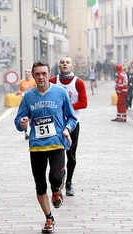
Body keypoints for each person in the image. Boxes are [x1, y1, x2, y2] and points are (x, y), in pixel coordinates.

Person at [14, 60, 77, 234]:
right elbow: (18, 122)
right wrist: (22, 122)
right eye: (37, 74)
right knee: (40, 186)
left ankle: (56, 190)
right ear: (33, 76)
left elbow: (72, 118)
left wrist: (66, 129)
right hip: (36, 147)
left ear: (50, 74)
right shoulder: (28, 96)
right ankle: (49, 218)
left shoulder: (60, 93)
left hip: (57, 143)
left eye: (44, 73)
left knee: (55, 178)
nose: (41, 77)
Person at [50, 56, 88, 196]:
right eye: (62, 62)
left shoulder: (79, 82)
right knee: (56, 153)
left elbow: (84, 103)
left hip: (73, 123)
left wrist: (67, 106)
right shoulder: (52, 81)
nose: (65, 64)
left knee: (70, 155)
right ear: (59, 66)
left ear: (72, 67)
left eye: (68, 62)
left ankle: (69, 182)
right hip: (56, 123)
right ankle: (58, 180)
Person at [16, 68, 37, 140]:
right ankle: (26, 133)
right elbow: (20, 89)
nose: (27, 73)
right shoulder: (22, 81)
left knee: (31, 119)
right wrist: (18, 92)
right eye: (26, 71)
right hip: (24, 102)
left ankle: (33, 130)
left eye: (28, 72)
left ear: (31, 73)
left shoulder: (34, 81)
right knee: (24, 117)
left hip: (32, 102)